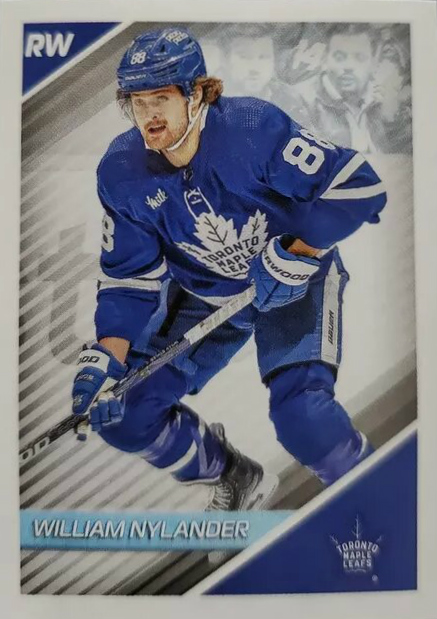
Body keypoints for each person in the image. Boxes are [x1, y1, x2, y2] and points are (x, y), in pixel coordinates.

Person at [71, 27, 387, 513]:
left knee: (303, 418)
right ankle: (237, 478)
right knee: (124, 414)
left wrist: (299, 252)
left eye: (161, 98)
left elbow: (360, 187)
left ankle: (379, 504)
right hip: (208, 295)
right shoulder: (120, 171)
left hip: (296, 282)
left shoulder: (252, 128)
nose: (148, 114)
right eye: (137, 101)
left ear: (197, 93)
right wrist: (107, 356)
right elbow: (129, 278)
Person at [291, 24, 411, 153]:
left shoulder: (384, 102)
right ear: (325, 60)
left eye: (360, 58)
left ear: (373, 63)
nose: (348, 66)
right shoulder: (304, 102)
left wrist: (390, 117)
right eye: (339, 57)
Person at [223, 23, 298, 117]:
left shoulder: (289, 100)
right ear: (226, 60)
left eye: (264, 57)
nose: (255, 68)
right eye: (244, 57)